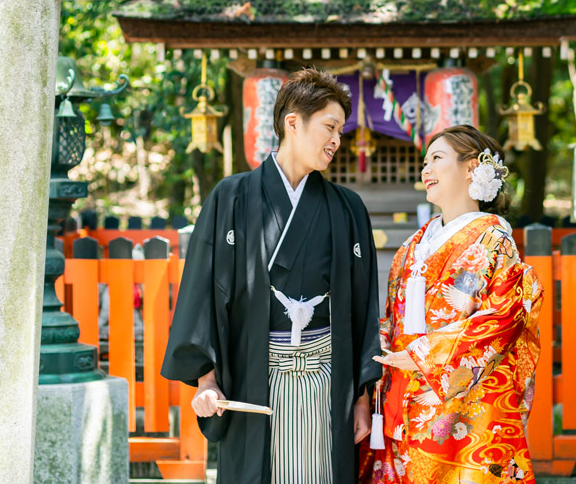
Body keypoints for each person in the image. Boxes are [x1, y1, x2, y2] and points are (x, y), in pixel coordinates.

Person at [162, 68, 382, 484]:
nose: (337, 140)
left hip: (328, 381)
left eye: (341, 130)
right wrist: (206, 379)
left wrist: (361, 396)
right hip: (253, 379)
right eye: (330, 127)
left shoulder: (348, 208)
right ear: (292, 122)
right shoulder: (231, 196)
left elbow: (362, 304)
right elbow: (203, 294)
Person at [371, 125, 543, 483]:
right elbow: (391, 318)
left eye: (436, 158)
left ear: (471, 168)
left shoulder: (493, 238)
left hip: (462, 399)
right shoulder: (412, 245)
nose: (425, 170)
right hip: (404, 392)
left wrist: (425, 355)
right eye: (424, 162)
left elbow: (504, 318)